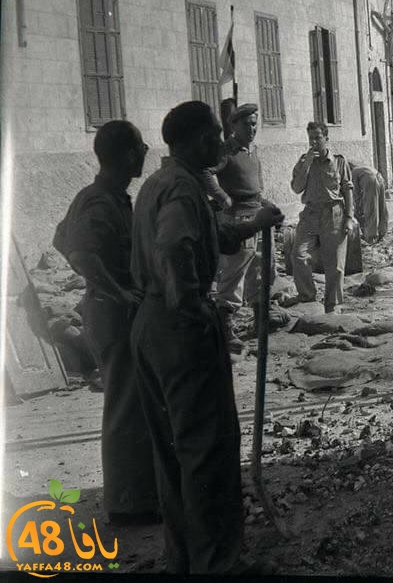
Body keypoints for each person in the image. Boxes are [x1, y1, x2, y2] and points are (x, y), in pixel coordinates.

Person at [130, 100, 283, 574]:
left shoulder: (158, 183)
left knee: (174, 452)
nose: (222, 142)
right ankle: (218, 564)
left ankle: (185, 559)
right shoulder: (181, 188)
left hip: (150, 324)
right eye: (216, 134)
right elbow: (177, 244)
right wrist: (193, 304)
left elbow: (209, 235)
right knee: (207, 451)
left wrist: (255, 223)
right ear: (199, 140)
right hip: (180, 329)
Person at [53, 120, 159, 525]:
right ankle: (128, 505)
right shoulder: (101, 201)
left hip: (107, 308)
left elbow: (61, 239)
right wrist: (118, 291)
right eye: (139, 146)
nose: (145, 151)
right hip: (113, 313)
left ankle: (135, 498)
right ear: (127, 154)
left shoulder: (104, 196)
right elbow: (79, 252)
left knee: (130, 404)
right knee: (125, 405)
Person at [202, 102, 275, 351]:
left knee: (261, 270)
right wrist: (223, 198)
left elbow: (256, 187)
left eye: (255, 123)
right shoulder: (226, 151)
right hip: (238, 219)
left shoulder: (252, 151)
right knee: (235, 274)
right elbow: (206, 172)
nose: (252, 128)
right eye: (246, 124)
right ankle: (226, 328)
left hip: (258, 214)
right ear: (233, 126)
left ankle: (260, 320)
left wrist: (267, 205)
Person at [290, 121, 357, 312]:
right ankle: (308, 298)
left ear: (326, 139)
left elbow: (347, 190)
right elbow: (296, 188)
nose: (314, 142)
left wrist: (349, 217)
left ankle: (332, 305)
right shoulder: (304, 161)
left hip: (334, 213)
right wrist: (307, 164)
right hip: (310, 214)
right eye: (310, 138)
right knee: (298, 255)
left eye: (317, 138)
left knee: (335, 265)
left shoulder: (339, 162)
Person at [349, 161, 389, 243]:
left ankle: (371, 237)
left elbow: (356, 194)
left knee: (371, 208)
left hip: (370, 180)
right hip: (379, 177)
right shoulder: (362, 167)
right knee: (381, 207)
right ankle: (382, 232)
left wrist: (357, 209)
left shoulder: (352, 173)